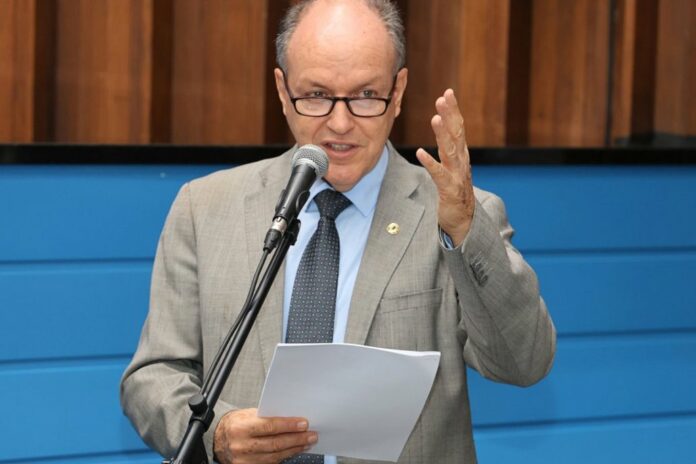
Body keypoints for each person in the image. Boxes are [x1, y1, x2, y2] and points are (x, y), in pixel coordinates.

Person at [120, 0, 556, 463]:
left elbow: (523, 362)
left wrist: (465, 231)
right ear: (283, 91)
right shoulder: (205, 208)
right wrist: (217, 434)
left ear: (398, 91)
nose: (341, 123)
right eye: (316, 95)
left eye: (366, 95)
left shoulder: (457, 215)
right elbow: (152, 378)